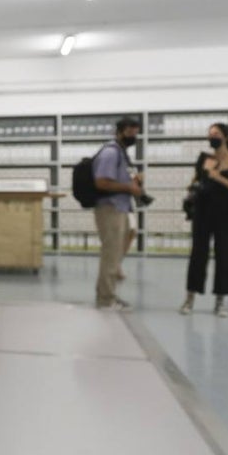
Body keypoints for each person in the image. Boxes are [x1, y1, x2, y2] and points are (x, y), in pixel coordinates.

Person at [180, 122, 228, 318]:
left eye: (216, 133)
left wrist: (219, 177)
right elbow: (195, 181)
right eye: (210, 134)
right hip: (202, 211)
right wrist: (193, 187)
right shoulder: (205, 158)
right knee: (198, 254)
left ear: (226, 137)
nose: (212, 137)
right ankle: (190, 298)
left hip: (226, 213)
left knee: (225, 255)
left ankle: (220, 300)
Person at [92, 117, 144, 311]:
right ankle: (105, 299)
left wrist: (132, 183)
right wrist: (129, 187)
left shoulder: (121, 153)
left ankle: (109, 295)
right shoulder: (111, 153)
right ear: (119, 131)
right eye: (130, 132)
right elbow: (101, 182)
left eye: (136, 133)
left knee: (114, 255)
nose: (133, 136)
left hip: (120, 207)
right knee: (111, 254)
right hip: (110, 208)